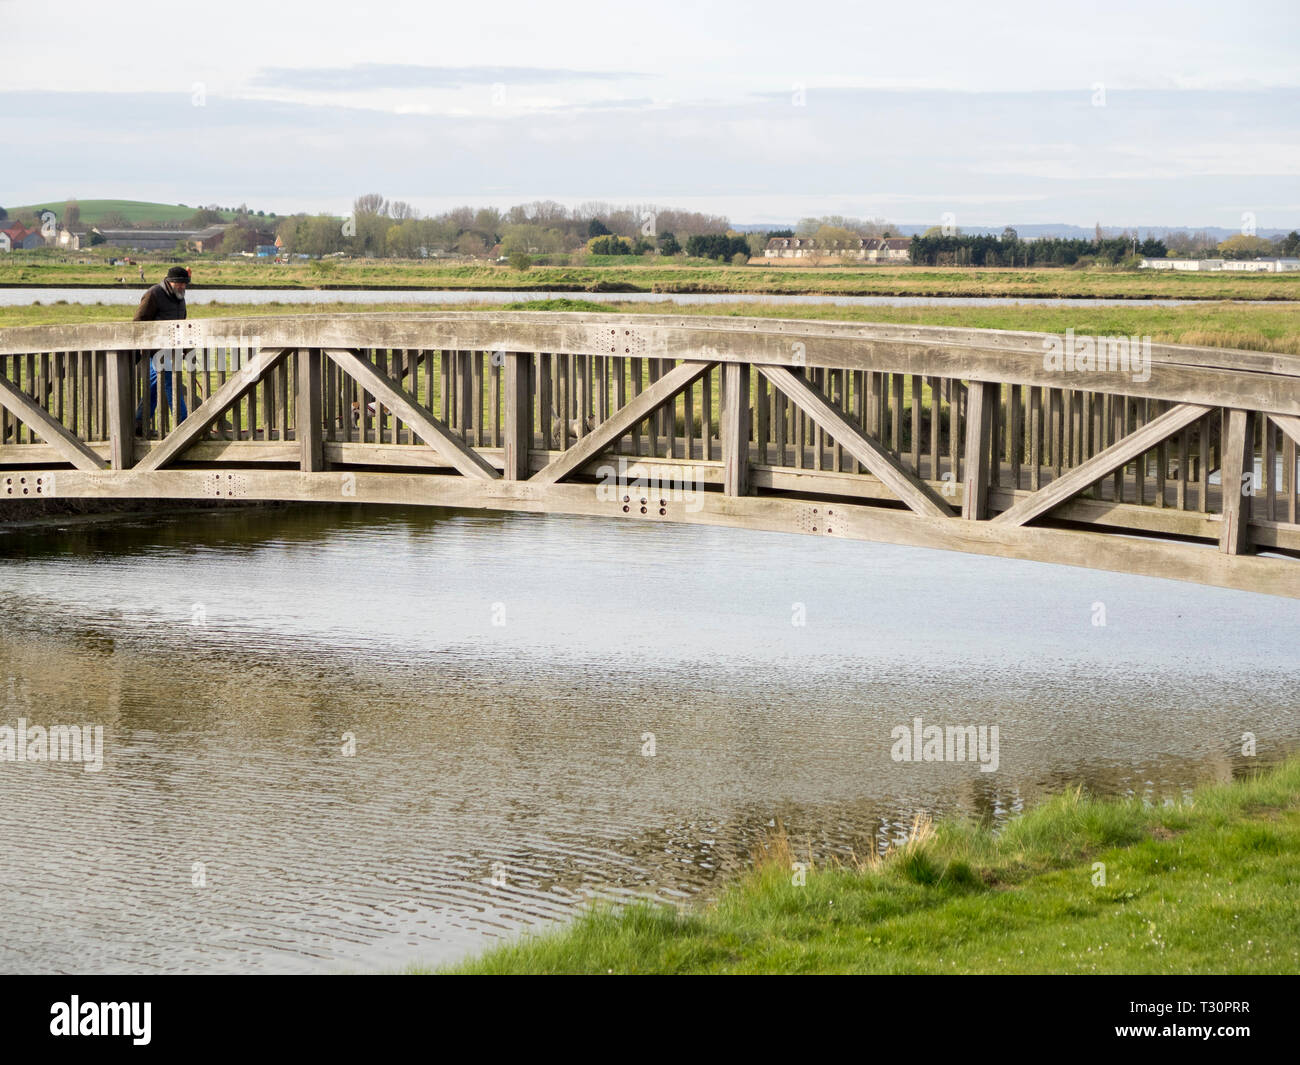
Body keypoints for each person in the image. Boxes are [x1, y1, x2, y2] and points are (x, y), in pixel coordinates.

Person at [134, 266, 191, 429]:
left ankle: (139, 421)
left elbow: (182, 323)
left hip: (173, 349)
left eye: (184, 283)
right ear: (169, 281)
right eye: (178, 283)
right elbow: (139, 322)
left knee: (154, 384)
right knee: (170, 382)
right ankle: (183, 423)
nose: (181, 286)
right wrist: (141, 346)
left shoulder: (180, 297)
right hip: (156, 349)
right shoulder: (153, 294)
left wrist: (185, 348)